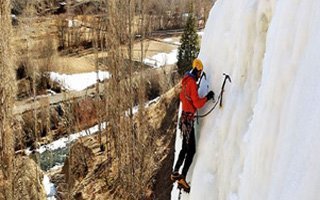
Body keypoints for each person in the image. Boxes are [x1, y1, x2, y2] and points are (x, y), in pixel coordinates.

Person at [171, 58, 214, 192]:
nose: (200, 75)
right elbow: (197, 103)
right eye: (200, 72)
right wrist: (208, 96)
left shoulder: (186, 81)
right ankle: (182, 178)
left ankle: (175, 171)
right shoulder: (191, 84)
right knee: (191, 150)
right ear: (196, 71)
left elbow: (185, 99)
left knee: (184, 148)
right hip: (188, 121)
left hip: (184, 118)